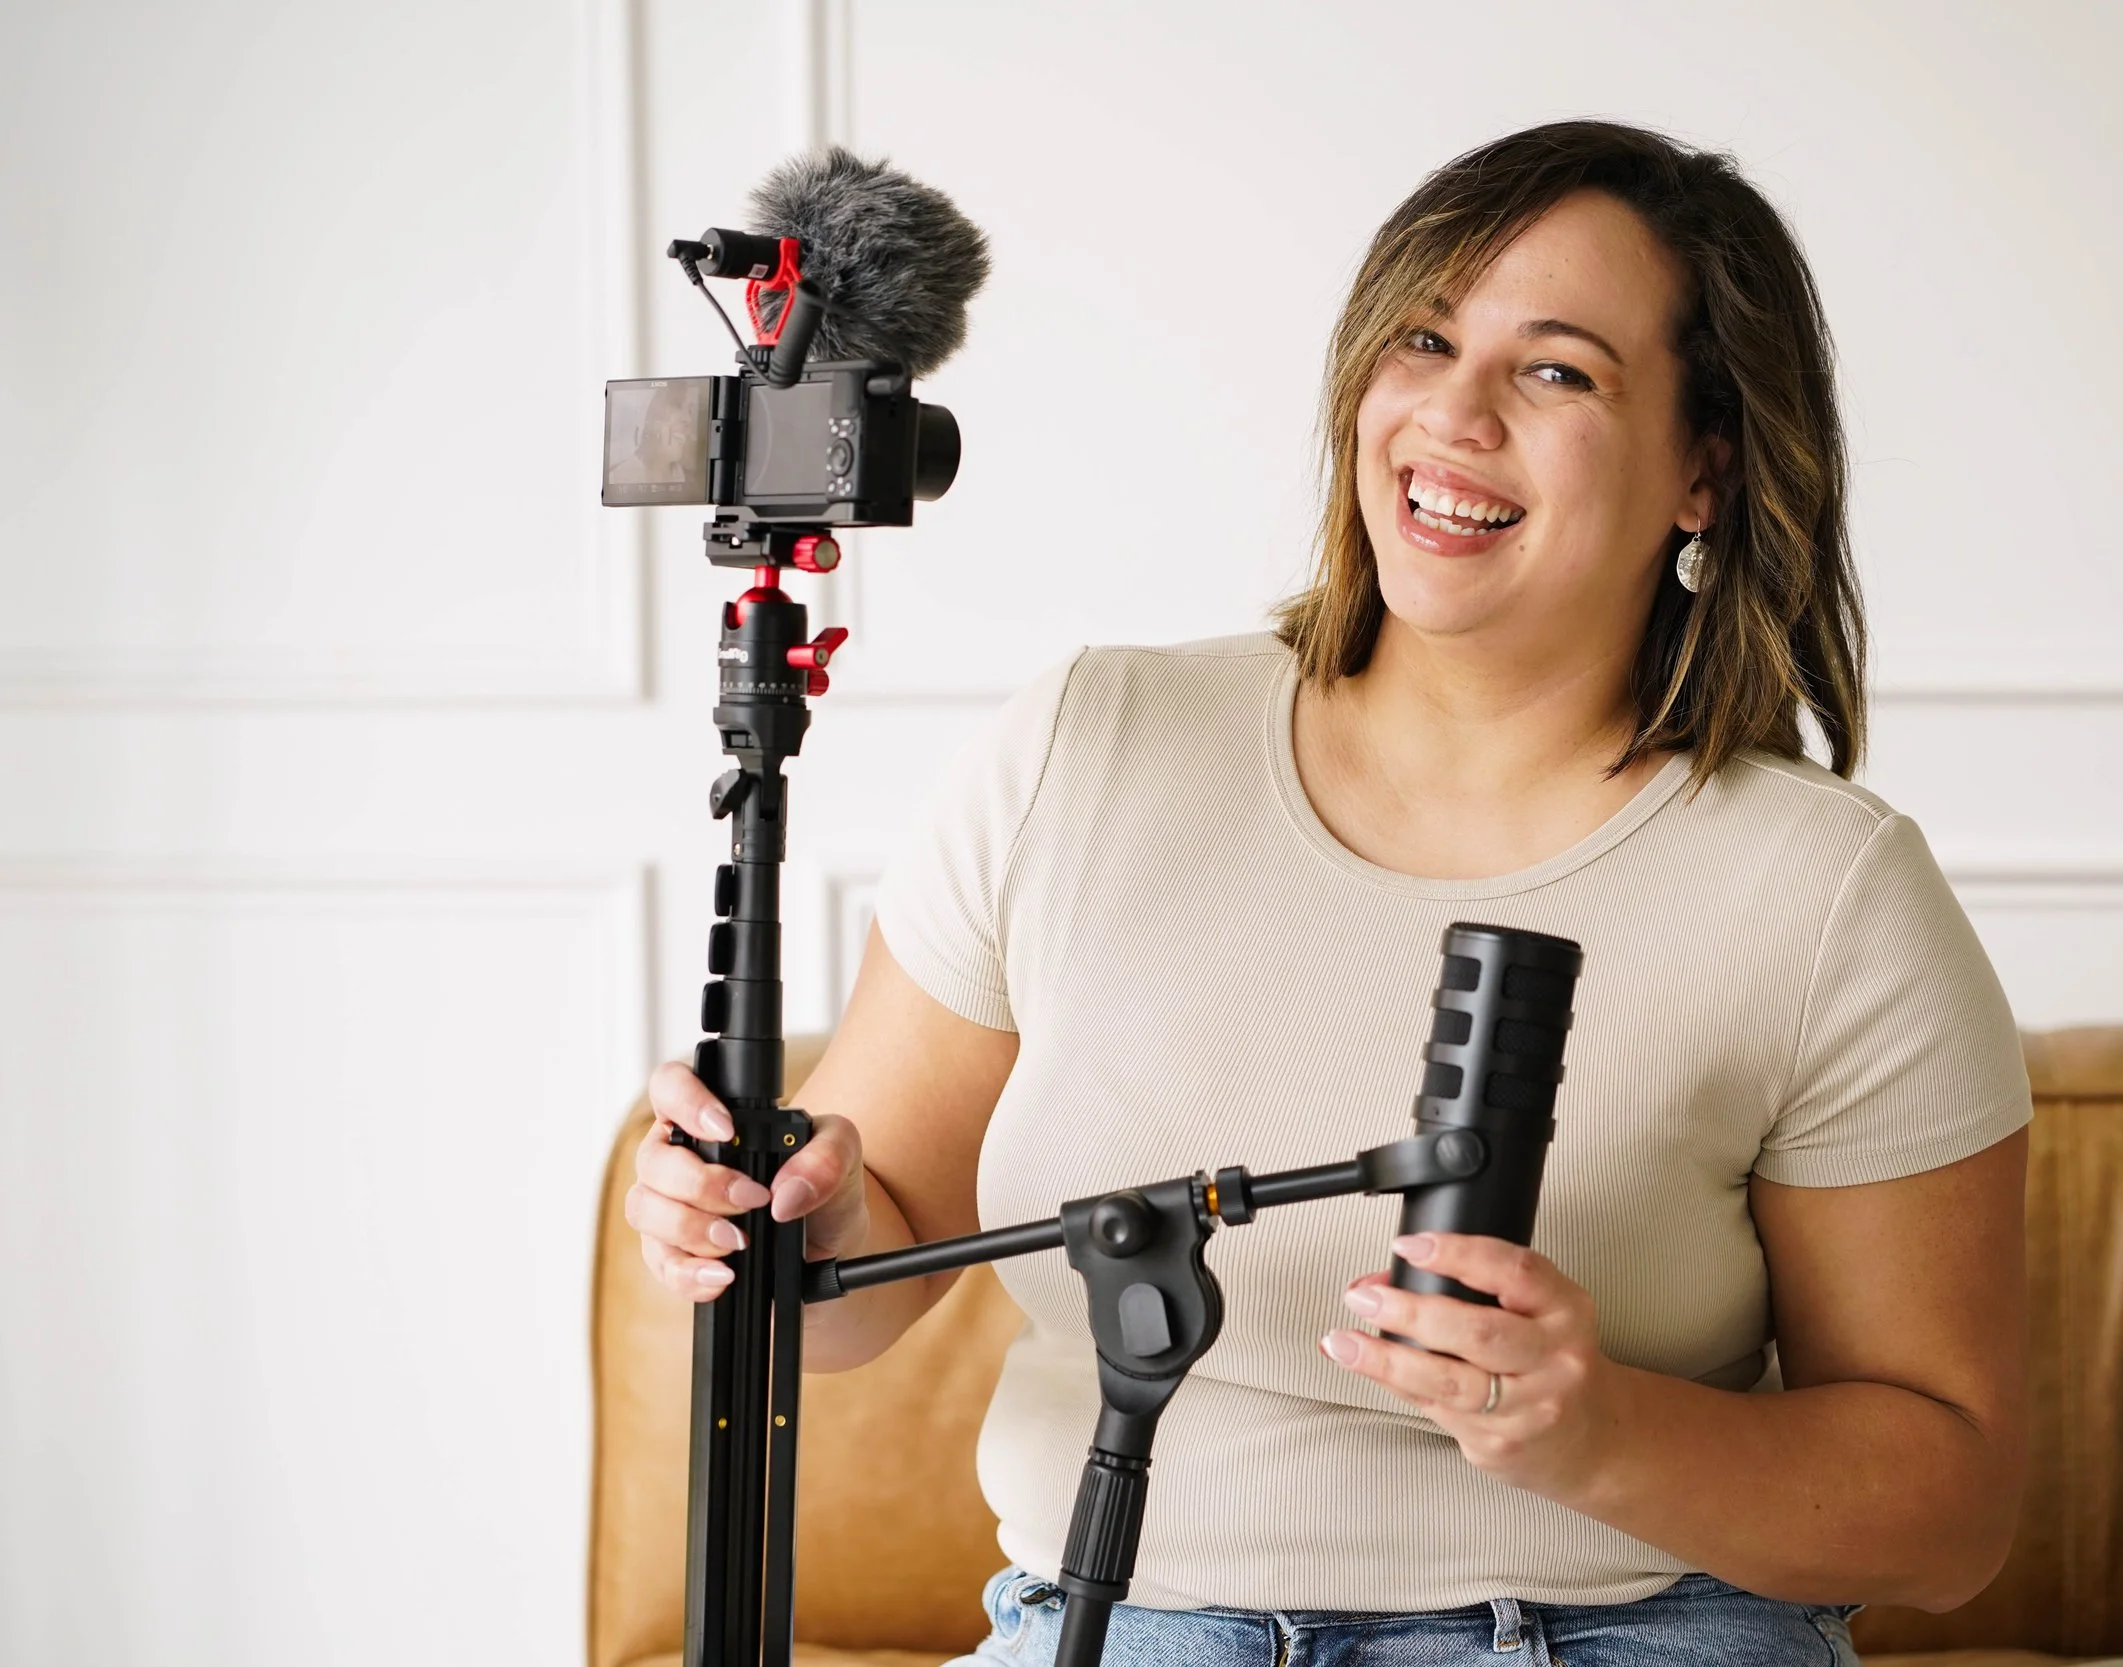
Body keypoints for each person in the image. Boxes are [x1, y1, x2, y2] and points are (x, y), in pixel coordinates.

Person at [626, 119, 2031, 1666]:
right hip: (1116, 1626)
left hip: (1606, 1633)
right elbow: (854, 1274)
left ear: (1708, 467)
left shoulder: (1826, 889)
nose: (1455, 414)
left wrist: (1602, 1431)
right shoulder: (1087, 746)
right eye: (1423, 340)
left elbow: (1952, 1507)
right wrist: (761, 1227)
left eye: (1556, 370)